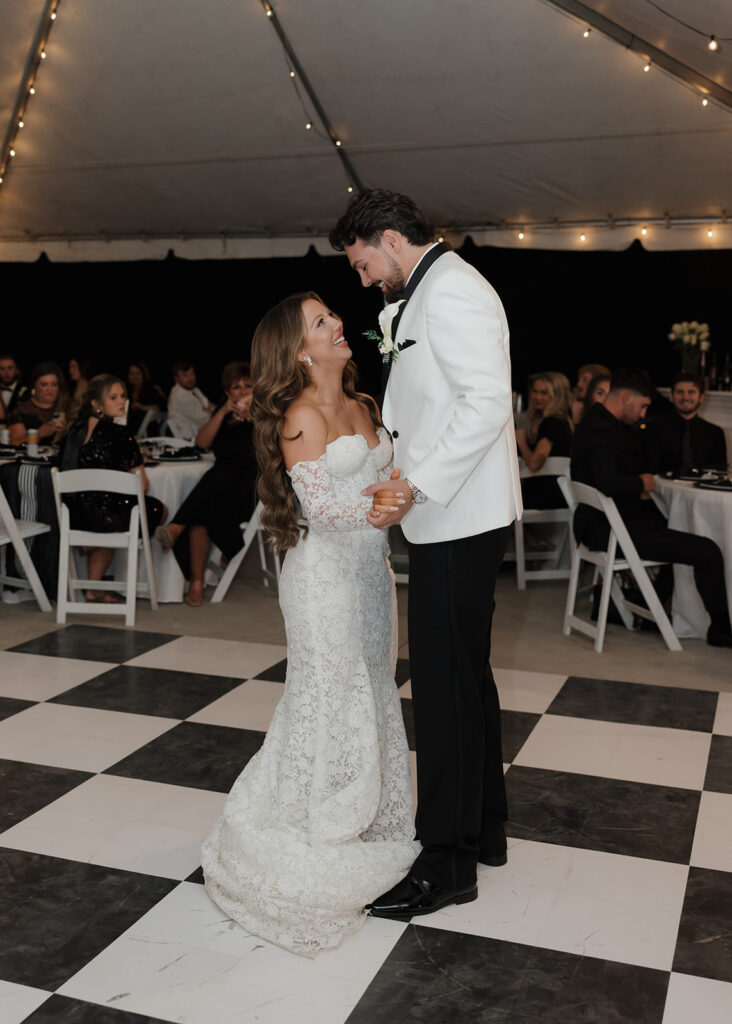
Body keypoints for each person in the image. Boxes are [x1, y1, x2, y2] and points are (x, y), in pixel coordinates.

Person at [201, 294, 418, 956]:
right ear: (299, 350)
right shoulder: (301, 413)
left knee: (373, 685)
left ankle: (366, 811)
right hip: (322, 579)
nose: (337, 327)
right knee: (330, 693)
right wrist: (390, 504)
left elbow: (390, 481)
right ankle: (319, 820)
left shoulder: (365, 404)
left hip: (370, 575)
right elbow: (321, 510)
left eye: (331, 317)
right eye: (321, 323)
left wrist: (405, 492)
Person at [329, 188, 522, 920]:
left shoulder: (452, 292)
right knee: (467, 676)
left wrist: (415, 486)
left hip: (456, 515)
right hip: (453, 514)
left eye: (363, 261)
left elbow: (484, 405)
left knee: (443, 690)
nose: (363, 276)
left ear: (388, 237)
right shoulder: (429, 288)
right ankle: (487, 829)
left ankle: (445, 866)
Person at [571, 367, 732, 648]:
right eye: (643, 405)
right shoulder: (601, 430)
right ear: (626, 398)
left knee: (680, 532)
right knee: (708, 551)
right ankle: (721, 628)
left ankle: (652, 609)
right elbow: (609, 483)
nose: (643, 413)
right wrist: (641, 483)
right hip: (610, 531)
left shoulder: (599, 422)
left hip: (608, 525)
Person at [155, 362, 258, 607]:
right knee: (209, 499)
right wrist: (222, 413)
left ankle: (177, 528)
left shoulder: (265, 413)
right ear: (227, 392)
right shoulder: (223, 413)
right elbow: (202, 443)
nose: (242, 391)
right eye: (236, 387)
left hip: (250, 489)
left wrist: (254, 416)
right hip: (222, 489)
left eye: (247, 386)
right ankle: (197, 581)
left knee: (212, 481)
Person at [59, 374, 166, 603]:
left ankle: (93, 587)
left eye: (123, 396)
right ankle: (95, 542)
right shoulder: (121, 435)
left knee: (114, 510)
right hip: (102, 517)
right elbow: (142, 486)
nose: (121, 402)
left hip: (73, 515)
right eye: (113, 397)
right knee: (157, 509)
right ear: (96, 404)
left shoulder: (72, 432)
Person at [643, 372, 727, 474]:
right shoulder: (654, 428)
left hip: (700, 489)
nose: (685, 397)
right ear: (672, 396)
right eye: (680, 392)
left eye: (691, 392)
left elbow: (720, 474)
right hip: (662, 488)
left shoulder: (715, 433)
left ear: (701, 397)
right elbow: (648, 470)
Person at [515, 371, 573, 509]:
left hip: (547, 497)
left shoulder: (552, 423)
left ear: (557, 396)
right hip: (555, 494)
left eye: (544, 393)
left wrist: (521, 442)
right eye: (535, 391)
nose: (537, 397)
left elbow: (535, 464)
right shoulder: (561, 421)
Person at [7, 362, 69, 445]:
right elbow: (15, 444)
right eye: (44, 385)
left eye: (54, 385)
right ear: (34, 385)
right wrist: (39, 434)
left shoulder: (68, 407)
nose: (49, 390)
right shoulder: (21, 411)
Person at [167, 360, 213, 438]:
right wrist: (207, 410)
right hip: (190, 438)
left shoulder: (193, 389)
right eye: (184, 375)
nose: (190, 378)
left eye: (192, 373)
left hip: (200, 431)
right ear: (176, 379)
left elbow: (210, 406)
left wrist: (208, 409)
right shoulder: (179, 396)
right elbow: (206, 419)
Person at [126, 362, 166, 435]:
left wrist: (142, 407)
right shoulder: (125, 391)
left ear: (143, 374)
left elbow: (163, 407)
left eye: (138, 373)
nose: (135, 376)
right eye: (132, 373)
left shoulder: (151, 390)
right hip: (128, 429)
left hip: (147, 431)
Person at [0, 353, 29, 422]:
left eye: (10, 368)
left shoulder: (27, 391)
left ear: (17, 370)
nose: (6, 372)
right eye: (2, 368)